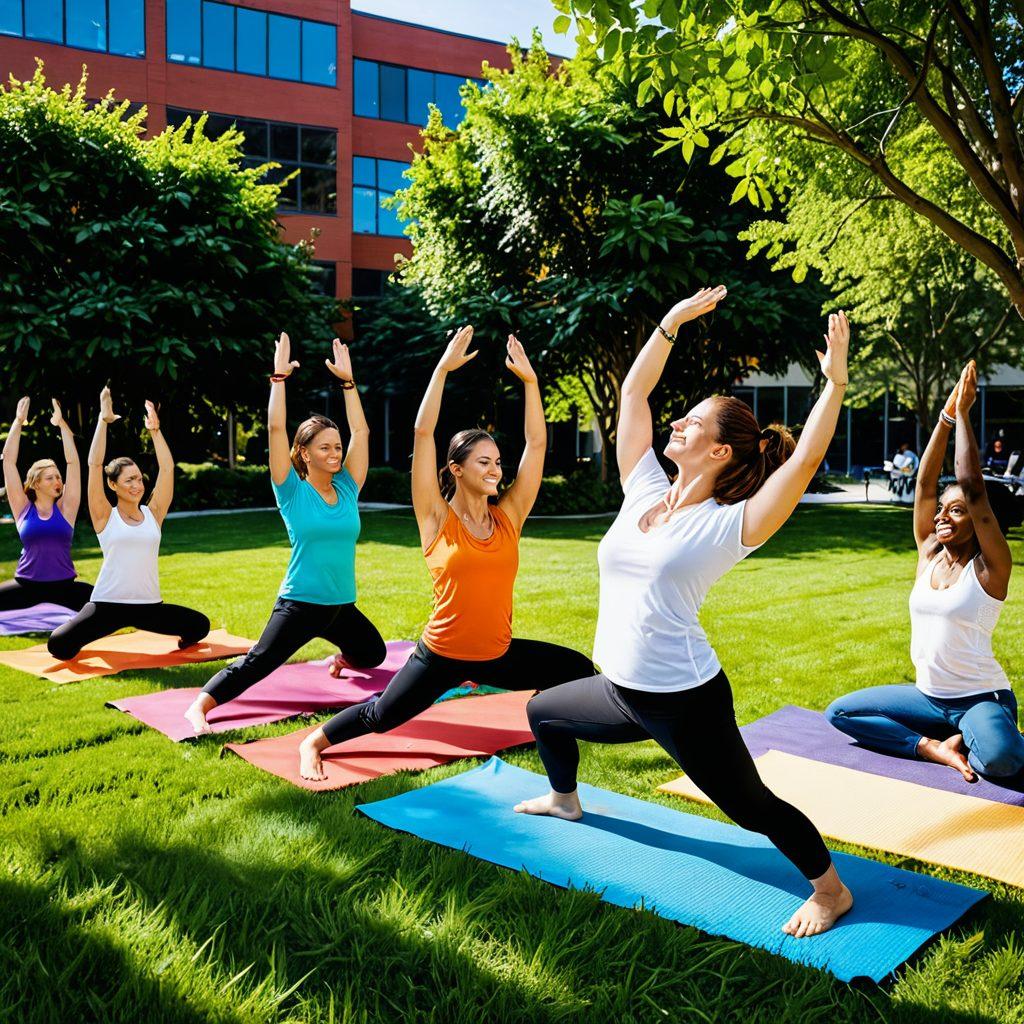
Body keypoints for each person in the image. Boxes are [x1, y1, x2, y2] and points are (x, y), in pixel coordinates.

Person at [514, 288, 854, 939]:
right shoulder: (643, 487)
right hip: (619, 688)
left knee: (751, 807)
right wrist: (669, 322)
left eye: (693, 422)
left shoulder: (730, 524)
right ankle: (564, 799)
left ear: (721, 451)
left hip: (683, 699)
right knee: (542, 711)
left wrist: (833, 384)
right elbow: (633, 395)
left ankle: (831, 891)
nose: (678, 423)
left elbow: (807, 460)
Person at [297, 327, 594, 779]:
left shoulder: (509, 516)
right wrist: (442, 370)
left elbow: (537, 445)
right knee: (381, 716)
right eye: (484, 462)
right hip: (441, 656)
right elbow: (423, 432)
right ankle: (314, 741)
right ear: (456, 468)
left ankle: (544, 715)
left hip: (496, 654)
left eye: (498, 462)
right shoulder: (435, 517)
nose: (496, 470)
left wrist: (532, 383)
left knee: (578, 669)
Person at [826, 361, 1023, 783]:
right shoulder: (929, 552)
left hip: (980, 698)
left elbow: (973, 487)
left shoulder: (990, 568)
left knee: (1004, 761)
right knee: (840, 712)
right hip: (927, 698)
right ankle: (934, 746)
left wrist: (965, 414)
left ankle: (981, 733)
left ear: (980, 521)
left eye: (957, 511)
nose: (941, 516)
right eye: (942, 510)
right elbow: (923, 485)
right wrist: (945, 417)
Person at [184, 334, 386, 734]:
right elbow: (276, 428)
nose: (335, 453)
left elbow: (361, 432)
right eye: (325, 448)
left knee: (373, 654)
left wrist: (349, 384)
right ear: (305, 453)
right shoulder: (291, 490)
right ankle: (199, 706)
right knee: (257, 662)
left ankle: (339, 659)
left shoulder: (348, 487)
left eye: (337, 447)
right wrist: (278, 379)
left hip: (340, 606)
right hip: (300, 604)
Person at [47, 388, 210, 661]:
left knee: (199, 626)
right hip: (107, 605)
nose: (137, 485)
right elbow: (94, 464)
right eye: (129, 480)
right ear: (113, 485)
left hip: (149, 606)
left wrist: (155, 431)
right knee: (59, 645)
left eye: (138, 478)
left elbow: (167, 469)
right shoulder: (104, 515)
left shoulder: (153, 514)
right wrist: (103, 420)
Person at [0, 397, 93, 613]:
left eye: (58, 477)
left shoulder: (67, 508)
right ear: (36, 484)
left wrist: (61, 424)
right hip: (26, 585)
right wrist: (18, 421)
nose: (57, 481)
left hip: (65, 586)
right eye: (50, 478)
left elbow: (73, 462)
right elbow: (9, 462)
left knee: (107, 602)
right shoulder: (23, 508)